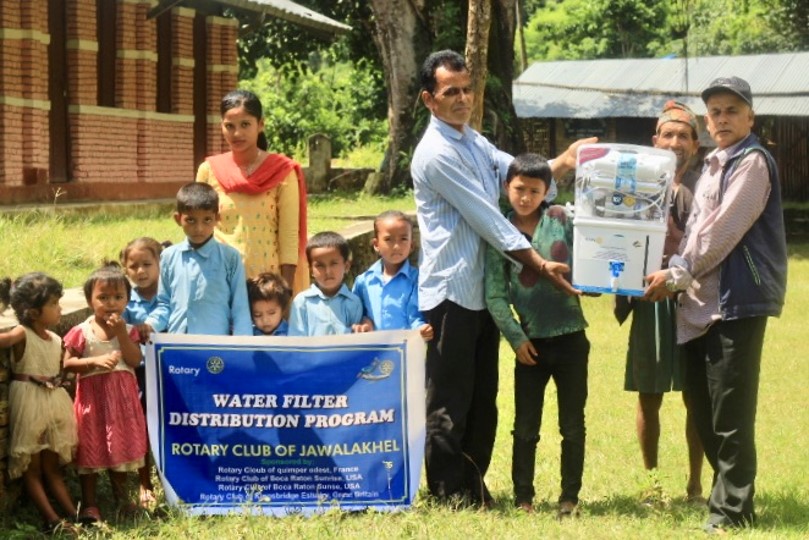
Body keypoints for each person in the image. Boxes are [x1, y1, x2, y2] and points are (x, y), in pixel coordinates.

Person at [411, 49, 587, 507]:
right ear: (429, 99)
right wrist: (539, 264)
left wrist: (564, 160)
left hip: (485, 293)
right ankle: (448, 494)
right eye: (451, 91)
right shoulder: (435, 153)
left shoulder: (472, 140)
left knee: (482, 398)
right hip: (451, 292)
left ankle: (473, 486)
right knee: (449, 400)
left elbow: (520, 177)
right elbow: (488, 218)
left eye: (467, 89)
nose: (462, 98)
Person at [645, 77, 787, 533]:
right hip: (697, 303)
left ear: (750, 118)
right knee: (703, 409)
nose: (723, 119)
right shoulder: (712, 164)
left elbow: (723, 231)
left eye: (732, 111)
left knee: (730, 413)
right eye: (716, 112)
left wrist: (677, 273)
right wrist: (675, 271)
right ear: (708, 122)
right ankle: (725, 499)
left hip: (736, 303)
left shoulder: (752, 162)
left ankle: (731, 512)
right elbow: (694, 232)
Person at [485, 154, 590, 518]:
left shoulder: (560, 218)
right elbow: (495, 295)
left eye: (534, 190)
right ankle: (523, 498)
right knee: (525, 427)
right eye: (519, 189)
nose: (526, 197)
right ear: (506, 188)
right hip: (530, 346)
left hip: (572, 338)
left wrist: (598, 283)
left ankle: (569, 498)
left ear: (547, 191)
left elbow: (587, 261)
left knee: (572, 425)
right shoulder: (499, 232)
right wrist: (516, 339)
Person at [614, 101, 704, 503]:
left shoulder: (706, 187)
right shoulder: (634, 185)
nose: (675, 142)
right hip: (649, 296)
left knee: (696, 396)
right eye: (668, 134)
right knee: (649, 395)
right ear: (655, 140)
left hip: (694, 297)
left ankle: (695, 485)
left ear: (695, 145)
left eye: (683, 135)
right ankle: (652, 486)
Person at [197, 89, 308, 294]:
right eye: (229, 126)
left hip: (267, 288)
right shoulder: (209, 170)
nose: (237, 133)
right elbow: (198, 229)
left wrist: (285, 293)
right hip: (218, 283)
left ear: (261, 124)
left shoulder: (282, 171)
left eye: (245, 124)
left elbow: (289, 236)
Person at [63, 263, 148, 523]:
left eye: (118, 297)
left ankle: (122, 499)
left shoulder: (129, 330)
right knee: (90, 448)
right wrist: (94, 362)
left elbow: (134, 360)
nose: (111, 303)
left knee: (118, 448)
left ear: (127, 300)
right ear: (90, 300)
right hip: (93, 402)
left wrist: (122, 333)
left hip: (122, 403)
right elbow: (67, 363)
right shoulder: (82, 331)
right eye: (103, 297)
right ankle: (90, 504)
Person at [0, 273, 79, 534]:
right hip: (30, 405)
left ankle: (74, 513)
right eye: (54, 304)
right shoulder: (22, 333)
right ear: (33, 312)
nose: (60, 309)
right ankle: (52, 520)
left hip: (54, 405)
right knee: (32, 469)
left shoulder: (55, 339)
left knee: (52, 467)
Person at [144, 182, 253, 336]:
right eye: (191, 220)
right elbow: (164, 304)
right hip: (178, 343)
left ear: (217, 218)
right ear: (178, 219)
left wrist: (243, 344)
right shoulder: (168, 257)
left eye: (207, 220)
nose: (199, 228)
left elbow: (240, 308)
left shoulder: (230, 258)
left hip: (215, 344)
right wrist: (150, 325)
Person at [120, 236, 169, 509]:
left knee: (171, 425)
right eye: (133, 266)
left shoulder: (170, 293)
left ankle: (172, 477)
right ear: (125, 269)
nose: (141, 271)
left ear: (160, 263)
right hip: (139, 374)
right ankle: (144, 482)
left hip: (170, 372)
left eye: (147, 264)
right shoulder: (125, 302)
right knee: (142, 427)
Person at [352, 210, 433, 340]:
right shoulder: (363, 282)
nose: (396, 246)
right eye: (388, 239)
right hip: (374, 348)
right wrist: (364, 323)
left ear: (411, 245)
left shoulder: (417, 280)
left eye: (403, 239)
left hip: (406, 347)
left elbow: (415, 317)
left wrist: (422, 329)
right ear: (376, 245)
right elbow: (357, 314)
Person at [288, 231, 365, 336]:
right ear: (311, 270)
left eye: (334, 264)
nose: (328, 271)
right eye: (320, 265)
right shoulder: (302, 302)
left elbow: (358, 340)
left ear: (346, 266)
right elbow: (296, 339)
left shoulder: (353, 303)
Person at [247, 272, 292, 336]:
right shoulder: (249, 333)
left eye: (271, 313)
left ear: (283, 310)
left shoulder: (291, 333)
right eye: (257, 315)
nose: (265, 320)